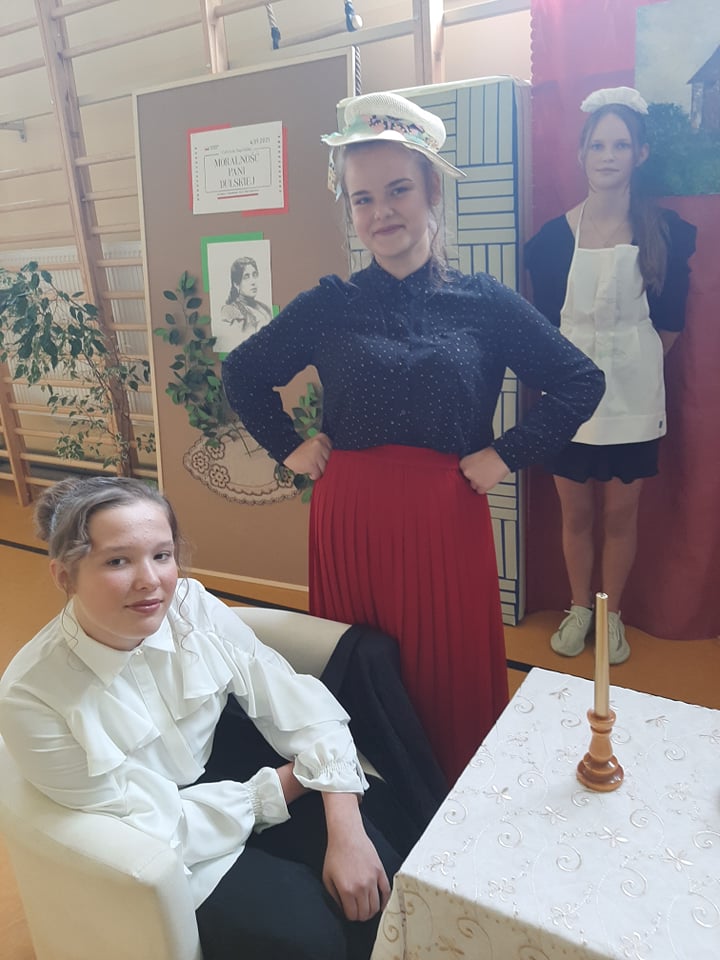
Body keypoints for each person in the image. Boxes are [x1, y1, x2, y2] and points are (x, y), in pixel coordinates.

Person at [221, 91, 605, 784]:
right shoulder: (329, 304)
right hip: (349, 520)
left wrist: (505, 454)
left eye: (398, 189)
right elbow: (243, 372)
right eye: (362, 199)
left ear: (432, 190)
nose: (381, 212)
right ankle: (367, 802)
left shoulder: (484, 303)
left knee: (446, 671)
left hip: (444, 518)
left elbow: (581, 380)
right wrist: (290, 446)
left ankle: (451, 805)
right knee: (358, 669)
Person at [0, 476, 403, 960]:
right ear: (64, 575)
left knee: (377, 876)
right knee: (307, 938)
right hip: (167, 836)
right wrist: (293, 781)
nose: (150, 580)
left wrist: (345, 826)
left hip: (231, 765)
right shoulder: (32, 695)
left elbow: (294, 698)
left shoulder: (190, 605)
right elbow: (152, 827)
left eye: (162, 555)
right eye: (117, 561)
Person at [524, 87, 696, 665]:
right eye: (597, 144)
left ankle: (610, 614)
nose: (607, 156)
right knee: (575, 514)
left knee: (621, 516)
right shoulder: (552, 241)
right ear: (581, 154)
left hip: (633, 397)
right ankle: (579, 608)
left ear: (640, 154)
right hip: (568, 398)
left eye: (620, 145)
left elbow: (669, 327)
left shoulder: (664, 231)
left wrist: (625, 364)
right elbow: (545, 326)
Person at [220, 255, 273, 337]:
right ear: (236, 284)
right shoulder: (230, 311)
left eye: (254, 275)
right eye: (246, 277)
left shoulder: (265, 308)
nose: (253, 282)